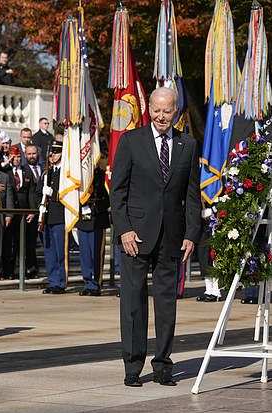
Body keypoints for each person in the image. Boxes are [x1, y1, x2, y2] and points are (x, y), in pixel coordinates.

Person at [110, 87, 201, 387]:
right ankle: (133, 366)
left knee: (166, 304)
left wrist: (191, 234)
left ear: (176, 111)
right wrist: (123, 229)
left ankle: (163, 364)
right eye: (157, 110)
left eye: (168, 111)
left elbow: (192, 195)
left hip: (172, 237)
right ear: (149, 108)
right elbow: (118, 192)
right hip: (134, 236)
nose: (162, 116)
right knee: (133, 304)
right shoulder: (131, 141)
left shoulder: (188, 144)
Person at [2, 145, 37, 278]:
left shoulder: (26, 171)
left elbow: (31, 193)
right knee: (9, 243)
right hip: (10, 212)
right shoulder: (5, 172)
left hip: (24, 212)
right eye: (14, 157)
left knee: (24, 242)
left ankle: (26, 268)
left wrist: (32, 210)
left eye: (18, 157)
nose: (16, 159)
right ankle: (8, 270)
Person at [76, 167, 110, 296]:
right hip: (83, 218)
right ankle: (87, 283)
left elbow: (109, 196)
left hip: (97, 219)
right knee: (84, 255)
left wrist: (96, 207)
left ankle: (96, 284)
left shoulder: (101, 176)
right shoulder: (79, 173)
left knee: (96, 254)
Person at [41, 136, 67, 294]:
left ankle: (61, 282)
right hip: (47, 215)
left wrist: (54, 194)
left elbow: (67, 194)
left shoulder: (65, 173)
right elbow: (39, 192)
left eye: (56, 153)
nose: (54, 156)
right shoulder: (47, 172)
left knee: (59, 251)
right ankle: (53, 280)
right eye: (52, 154)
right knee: (49, 250)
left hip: (59, 216)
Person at [22, 144, 43, 278]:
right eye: (29, 154)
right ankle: (31, 268)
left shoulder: (44, 168)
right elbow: (27, 194)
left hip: (45, 211)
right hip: (31, 212)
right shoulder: (23, 170)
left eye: (33, 153)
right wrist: (32, 210)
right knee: (30, 243)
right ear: (25, 155)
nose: (31, 156)